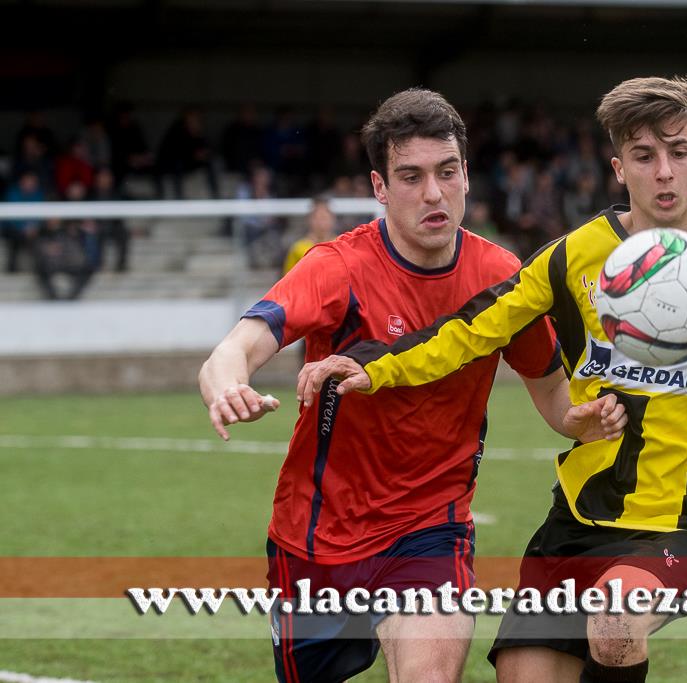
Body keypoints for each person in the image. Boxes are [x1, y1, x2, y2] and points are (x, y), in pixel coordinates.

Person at [308, 74, 687, 683]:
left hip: (686, 522)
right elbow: (472, 327)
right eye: (644, 157)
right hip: (579, 516)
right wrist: (372, 365)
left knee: (615, 621)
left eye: (679, 153)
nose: (665, 173)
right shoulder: (574, 255)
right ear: (619, 167)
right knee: (524, 673)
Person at [198, 88, 625, 683]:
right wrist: (226, 385)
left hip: (432, 529)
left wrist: (578, 418)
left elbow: (552, 390)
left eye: (447, 172)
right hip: (318, 534)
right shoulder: (337, 267)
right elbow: (237, 345)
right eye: (411, 176)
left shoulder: (502, 278)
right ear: (379, 187)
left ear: (467, 176)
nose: (433, 193)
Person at [282, 196, 337, 276]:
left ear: (332, 219)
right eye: (317, 218)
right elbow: (287, 279)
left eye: (325, 218)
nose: (321, 223)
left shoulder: (340, 246)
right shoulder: (298, 248)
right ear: (310, 219)